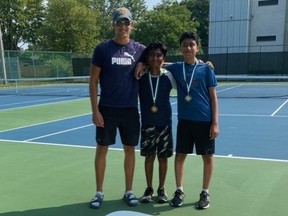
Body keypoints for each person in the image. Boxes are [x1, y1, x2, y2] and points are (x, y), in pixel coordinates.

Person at [89, 7, 146, 209]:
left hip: (130, 110)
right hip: (107, 109)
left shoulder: (140, 50)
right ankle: (98, 192)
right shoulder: (102, 49)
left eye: (126, 22)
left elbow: (160, 60)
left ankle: (129, 191)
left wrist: (199, 62)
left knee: (129, 149)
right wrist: (95, 110)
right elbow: (93, 81)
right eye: (119, 22)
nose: (122, 26)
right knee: (102, 148)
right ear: (113, 25)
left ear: (132, 25)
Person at [164, 32, 219, 209]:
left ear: (197, 47)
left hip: (204, 121)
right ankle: (179, 191)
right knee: (179, 156)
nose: (188, 48)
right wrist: (143, 62)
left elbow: (213, 98)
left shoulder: (206, 69)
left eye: (191, 44)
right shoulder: (176, 67)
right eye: (185, 45)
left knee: (207, 157)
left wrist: (215, 123)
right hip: (184, 121)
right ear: (180, 48)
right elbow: (159, 63)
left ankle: (205, 193)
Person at [138, 42, 176, 204]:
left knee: (163, 158)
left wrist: (203, 62)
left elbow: (185, 70)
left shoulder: (169, 76)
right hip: (147, 123)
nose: (155, 58)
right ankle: (149, 188)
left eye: (159, 55)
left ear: (164, 58)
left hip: (164, 124)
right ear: (147, 57)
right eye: (152, 55)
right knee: (148, 157)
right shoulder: (140, 75)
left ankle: (161, 189)